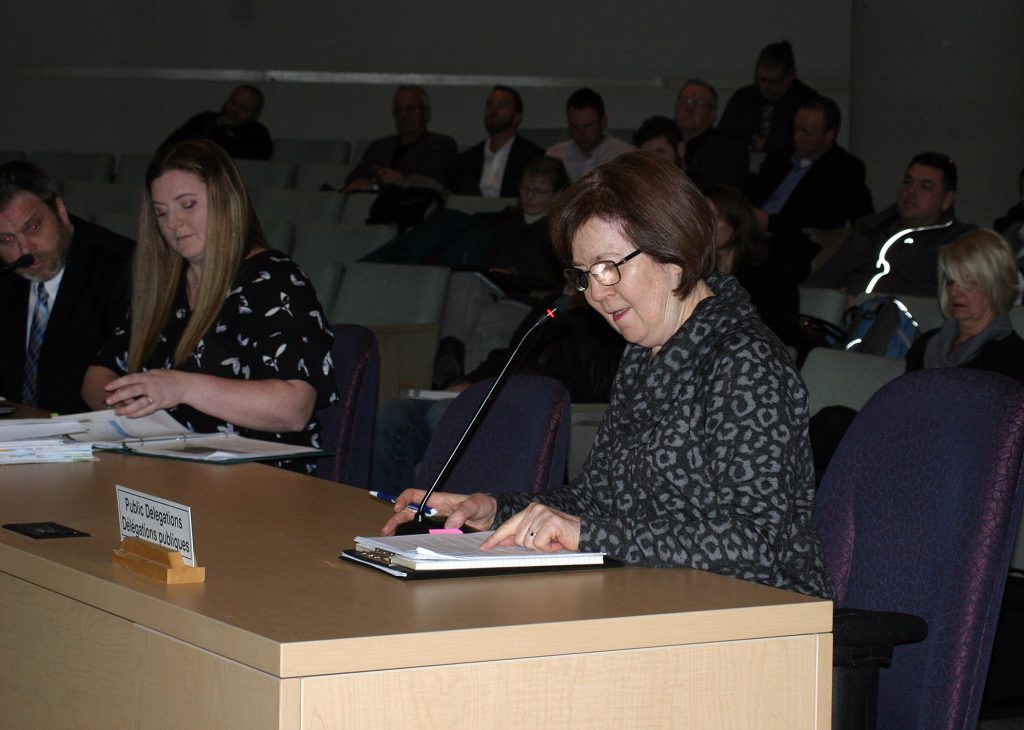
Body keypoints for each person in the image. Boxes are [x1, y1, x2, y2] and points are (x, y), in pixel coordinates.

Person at [383, 151, 833, 599]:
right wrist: (494, 509)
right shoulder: (644, 352)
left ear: (673, 252)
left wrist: (589, 535)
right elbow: (598, 502)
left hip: (759, 616)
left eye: (609, 266)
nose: (596, 292)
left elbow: (755, 545)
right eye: (584, 275)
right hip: (660, 597)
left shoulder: (746, 362)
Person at [82, 140, 336, 473]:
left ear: (225, 201)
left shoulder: (274, 279)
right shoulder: (165, 286)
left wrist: (181, 387)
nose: (173, 223)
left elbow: (293, 409)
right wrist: (129, 407)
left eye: (187, 205)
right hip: (170, 469)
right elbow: (98, 375)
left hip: (264, 479)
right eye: (161, 212)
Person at [810, 229, 1024, 479]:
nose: (955, 292)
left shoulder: (1011, 355)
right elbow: (902, 403)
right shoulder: (927, 343)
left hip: (950, 465)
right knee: (834, 422)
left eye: (969, 282)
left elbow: (990, 438)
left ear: (995, 284)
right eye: (951, 281)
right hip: (903, 441)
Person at [0, 161, 133, 414]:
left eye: (33, 227)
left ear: (60, 210)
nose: (25, 250)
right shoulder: (6, 276)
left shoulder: (122, 269)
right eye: (6, 239)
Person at [807, 152, 975, 298]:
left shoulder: (957, 242)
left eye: (925, 186)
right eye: (908, 182)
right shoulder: (869, 228)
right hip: (843, 321)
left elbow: (944, 299)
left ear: (947, 200)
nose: (911, 192)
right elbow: (825, 279)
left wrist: (863, 303)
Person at [746, 96, 873, 280]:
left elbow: (826, 217)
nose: (797, 137)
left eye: (806, 133)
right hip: (752, 234)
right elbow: (756, 193)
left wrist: (770, 222)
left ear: (828, 136)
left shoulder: (844, 168)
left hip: (794, 244)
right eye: (796, 129)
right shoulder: (779, 158)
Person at [704, 184, 799, 348]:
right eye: (702, 217)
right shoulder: (698, 269)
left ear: (737, 221)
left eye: (716, 217)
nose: (707, 224)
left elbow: (777, 327)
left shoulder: (770, 272)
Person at [345, 85, 458, 192]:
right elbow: (353, 179)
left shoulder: (441, 144)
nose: (404, 114)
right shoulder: (378, 147)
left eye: (410, 108)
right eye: (399, 110)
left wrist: (379, 184)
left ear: (426, 113)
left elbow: (433, 181)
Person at [717, 41, 819, 154]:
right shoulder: (744, 98)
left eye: (772, 82)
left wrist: (770, 146)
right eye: (761, 79)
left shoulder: (808, 103)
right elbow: (722, 137)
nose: (765, 86)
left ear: (790, 76)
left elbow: (811, 143)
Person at [450, 86, 545, 197]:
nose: (493, 111)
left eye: (501, 106)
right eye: (490, 105)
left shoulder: (533, 158)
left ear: (517, 117)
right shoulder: (466, 160)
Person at [546, 88, 634, 182]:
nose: (581, 133)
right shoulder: (555, 156)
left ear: (603, 122)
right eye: (574, 127)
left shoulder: (625, 156)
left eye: (587, 126)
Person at [673, 79, 749, 189]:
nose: (689, 108)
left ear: (713, 114)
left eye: (699, 103)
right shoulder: (664, 142)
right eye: (684, 100)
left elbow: (726, 198)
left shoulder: (729, 151)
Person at [163, 85, 273, 160]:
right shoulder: (204, 119)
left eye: (243, 109)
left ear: (255, 115)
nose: (234, 110)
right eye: (233, 103)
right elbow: (169, 147)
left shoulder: (258, 135)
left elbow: (250, 165)